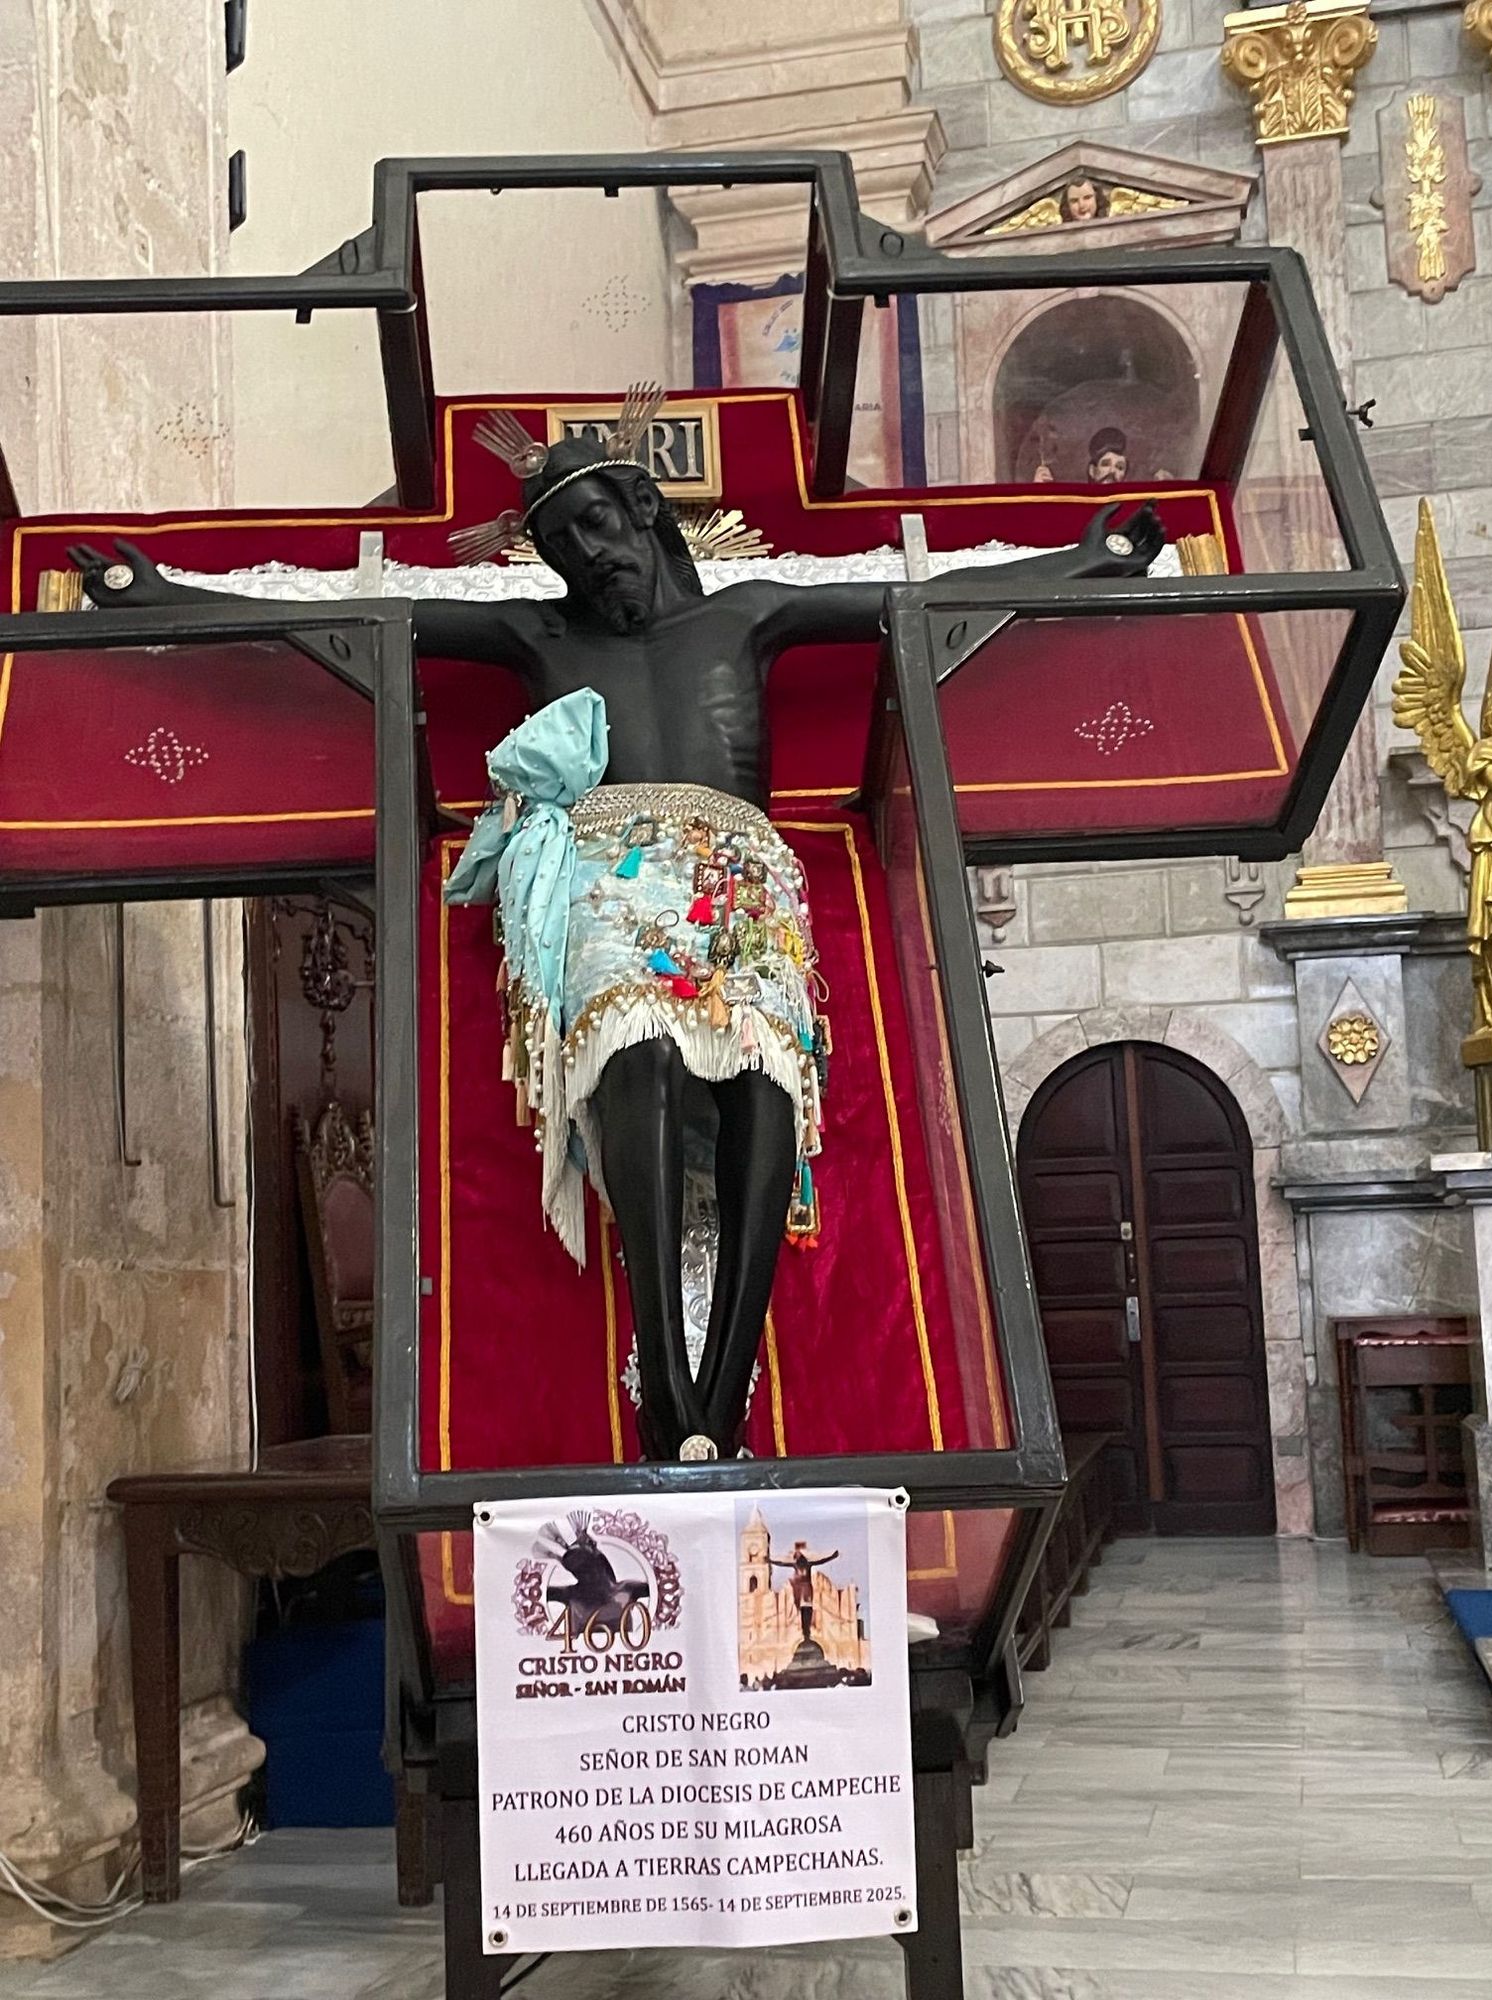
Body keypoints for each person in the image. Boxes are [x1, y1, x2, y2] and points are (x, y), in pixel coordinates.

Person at [69, 398, 1163, 1463]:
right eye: (560, 545)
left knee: (764, 1087)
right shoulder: (534, 630)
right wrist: (167, 593)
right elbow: (343, 620)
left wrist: (1085, 561)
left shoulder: (751, 612)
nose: (587, 557)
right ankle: (668, 1382)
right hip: (612, 880)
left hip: (737, 876)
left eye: (595, 524)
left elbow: (918, 601)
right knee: (638, 1058)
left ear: (643, 508)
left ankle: (722, 1385)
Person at [770, 1539, 839, 1644]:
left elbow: (821, 1560)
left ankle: (807, 1632)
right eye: (797, 1555)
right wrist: (771, 1561)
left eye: (799, 1555)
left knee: (808, 1608)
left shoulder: (808, 1564)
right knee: (801, 1610)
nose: (799, 1557)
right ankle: (804, 1632)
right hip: (799, 1590)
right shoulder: (795, 1565)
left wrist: (832, 1556)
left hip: (807, 1589)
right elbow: (781, 1563)